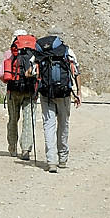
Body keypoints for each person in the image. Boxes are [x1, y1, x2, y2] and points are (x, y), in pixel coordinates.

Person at [37, 29, 81, 173]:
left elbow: (31, 71)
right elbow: (76, 71)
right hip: (64, 94)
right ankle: (63, 158)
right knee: (63, 125)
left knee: (48, 126)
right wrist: (78, 93)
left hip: (46, 95)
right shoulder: (67, 51)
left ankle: (51, 162)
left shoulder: (40, 52)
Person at [0, 30, 37, 160]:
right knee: (29, 120)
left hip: (13, 90)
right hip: (30, 91)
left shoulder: (10, 53)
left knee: (13, 119)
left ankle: (12, 148)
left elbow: (2, 75)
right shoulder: (34, 53)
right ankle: (26, 149)